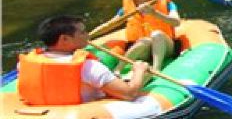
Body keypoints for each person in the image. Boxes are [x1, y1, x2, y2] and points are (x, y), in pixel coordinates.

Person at [17, 16, 149, 106]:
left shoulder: (23, 64)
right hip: (80, 118)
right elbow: (129, 94)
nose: (87, 35)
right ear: (64, 39)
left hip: (44, 112)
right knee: (142, 74)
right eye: (82, 32)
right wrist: (139, 71)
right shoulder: (89, 67)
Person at [115, 0, 181, 73]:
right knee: (144, 40)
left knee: (157, 34)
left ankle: (156, 69)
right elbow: (114, 22)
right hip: (143, 48)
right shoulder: (128, 7)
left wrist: (155, 13)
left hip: (165, 47)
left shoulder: (167, 4)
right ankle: (118, 70)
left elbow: (176, 22)